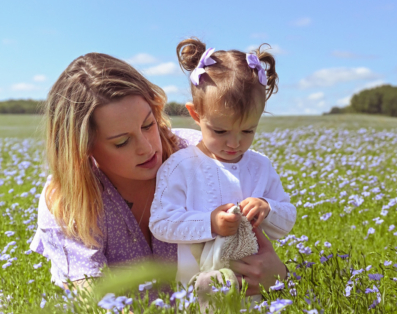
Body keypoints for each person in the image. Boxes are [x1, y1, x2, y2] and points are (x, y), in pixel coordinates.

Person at [30, 52, 288, 295]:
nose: (147, 148)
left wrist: (278, 275)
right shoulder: (68, 199)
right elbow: (91, 298)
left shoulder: (201, 156)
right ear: (83, 148)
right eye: (122, 142)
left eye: (148, 124)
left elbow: (253, 243)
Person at [149, 38, 296, 287]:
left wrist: (267, 208)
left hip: (255, 289)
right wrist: (209, 223)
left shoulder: (260, 166)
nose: (234, 144)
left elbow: (287, 219)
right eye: (220, 132)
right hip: (197, 295)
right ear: (196, 114)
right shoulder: (180, 167)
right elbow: (161, 223)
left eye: (248, 131)